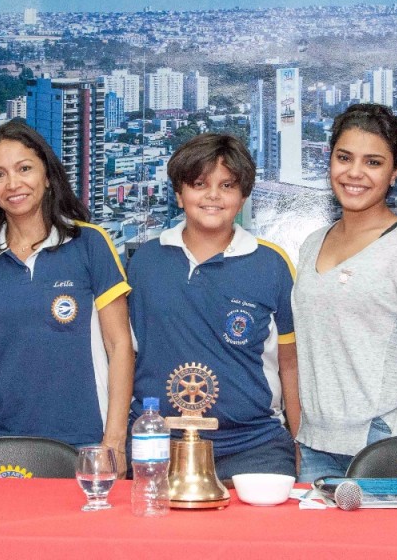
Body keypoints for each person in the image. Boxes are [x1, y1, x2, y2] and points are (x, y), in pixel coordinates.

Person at [0, 119, 133, 474]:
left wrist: (115, 441)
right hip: (1, 440)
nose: (13, 184)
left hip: (83, 440)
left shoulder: (88, 244)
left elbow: (120, 346)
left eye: (24, 168)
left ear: (47, 175)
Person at [127, 133, 300, 480]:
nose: (213, 196)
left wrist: (299, 444)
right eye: (199, 184)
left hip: (254, 447)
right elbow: (126, 354)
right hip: (159, 446)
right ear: (179, 194)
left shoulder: (271, 264)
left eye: (227, 186)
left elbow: (290, 363)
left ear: (243, 196)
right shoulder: (144, 261)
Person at [292, 104, 397, 483]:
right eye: (344, 158)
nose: (354, 173)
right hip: (316, 444)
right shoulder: (312, 244)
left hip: (383, 439)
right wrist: (301, 436)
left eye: (373, 162)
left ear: (395, 172)